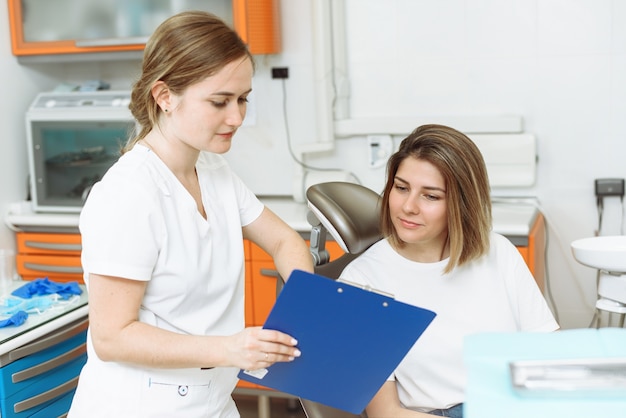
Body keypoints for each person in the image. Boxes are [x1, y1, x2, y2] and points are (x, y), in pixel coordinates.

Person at [68, 11, 314, 418]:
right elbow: (112, 337)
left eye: (243, 99)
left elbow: (284, 240)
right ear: (164, 96)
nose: (236, 117)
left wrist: (305, 301)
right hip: (139, 407)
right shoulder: (129, 194)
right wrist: (231, 348)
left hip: (210, 401)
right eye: (220, 101)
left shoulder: (215, 172)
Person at [340, 124, 559, 418]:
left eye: (430, 196)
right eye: (401, 188)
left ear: (462, 203)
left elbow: (547, 354)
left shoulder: (498, 251)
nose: (408, 206)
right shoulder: (361, 282)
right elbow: (386, 413)